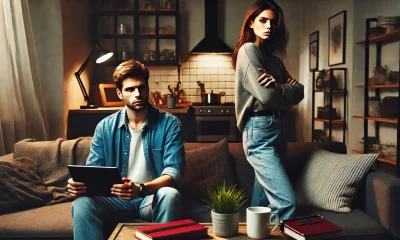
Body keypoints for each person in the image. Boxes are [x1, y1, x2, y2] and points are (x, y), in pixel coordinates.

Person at [67, 60, 185, 239]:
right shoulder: (104, 127)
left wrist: (140, 189)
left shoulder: (170, 124)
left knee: (170, 194)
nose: (138, 94)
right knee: (82, 203)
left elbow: (174, 174)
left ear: (147, 88)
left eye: (142, 87)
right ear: (119, 93)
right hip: (114, 200)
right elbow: (94, 171)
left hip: (149, 198)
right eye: (130, 89)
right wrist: (79, 185)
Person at [231, 0, 304, 221]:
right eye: (263, 20)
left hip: (280, 128)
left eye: (273, 22)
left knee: (262, 203)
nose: (269, 26)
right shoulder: (248, 50)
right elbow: (267, 96)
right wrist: (286, 90)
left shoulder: (275, 61)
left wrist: (281, 87)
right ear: (251, 23)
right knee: (286, 203)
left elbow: (300, 92)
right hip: (260, 129)